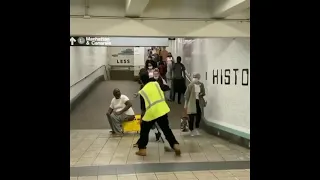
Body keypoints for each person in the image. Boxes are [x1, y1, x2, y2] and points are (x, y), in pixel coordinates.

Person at [136, 72, 181, 156]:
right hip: (162, 109)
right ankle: (175, 145)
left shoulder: (143, 91)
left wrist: (142, 118)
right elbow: (165, 88)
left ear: (141, 80)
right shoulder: (156, 84)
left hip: (152, 112)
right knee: (166, 129)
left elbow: (143, 108)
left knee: (144, 130)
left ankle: (142, 149)